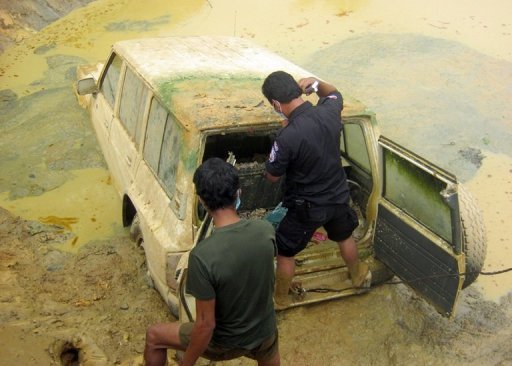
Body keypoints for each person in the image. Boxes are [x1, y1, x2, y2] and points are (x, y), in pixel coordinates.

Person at [144, 158, 280, 366]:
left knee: (154, 336)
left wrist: (186, 363)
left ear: (201, 201)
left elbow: (206, 326)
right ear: (238, 193)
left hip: (225, 342)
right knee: (269, 349)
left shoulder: (202, 256)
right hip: (265, 332)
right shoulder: (265, 231)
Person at [261, 71, 371, 309]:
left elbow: (272, 175)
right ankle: (357, 275)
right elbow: (333, 93)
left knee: (286, 251)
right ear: (298, 90)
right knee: (344, 237)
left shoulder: (287, 136)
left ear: (276, 104)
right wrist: (317, 83)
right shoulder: (329, 112)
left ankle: (280, 298)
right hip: (339, 197)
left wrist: (281, 144)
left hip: (307, 208)